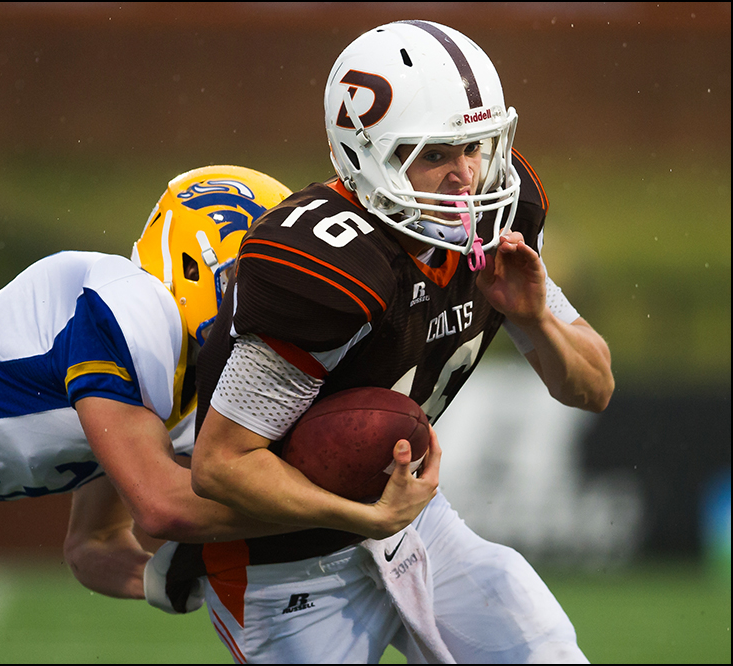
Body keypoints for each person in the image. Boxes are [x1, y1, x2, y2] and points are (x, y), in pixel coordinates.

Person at [0, 164, 440, 664]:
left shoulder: (182, 394)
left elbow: (95, 546)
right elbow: (162, 507)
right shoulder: (124, 304)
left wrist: (171, 576)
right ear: (212, 260)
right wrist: (348, 509)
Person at [152, 20, 614, 664]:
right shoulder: (328, 264)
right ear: (367, 155)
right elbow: (222, 463)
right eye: (435, 155)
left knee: (544, 649)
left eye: (475, 147)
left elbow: (592, 388)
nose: (466, 176)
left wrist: (535, 320)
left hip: (413, 525)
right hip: (283, 564)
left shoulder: (498, 220)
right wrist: (366, 516)